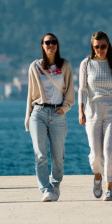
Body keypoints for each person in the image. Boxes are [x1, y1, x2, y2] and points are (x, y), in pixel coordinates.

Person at [78, 31, 112, 202]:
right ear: (92, 47)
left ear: (108, 46)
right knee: (96, 154)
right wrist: (80, 110)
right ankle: (98, 176)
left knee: (110, 150)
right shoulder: (86, 63)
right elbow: (82, 89)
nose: (100, 49)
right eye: (97, 47)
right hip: (92, 110)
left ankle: (109, 189)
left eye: (103, 46)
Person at [25, 33, 75, 202]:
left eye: (54, 42)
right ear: (42, 45)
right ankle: (45, 189)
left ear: (57, 45)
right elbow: (30, 93)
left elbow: (70, 91)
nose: (51, 45)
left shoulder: (65, 65)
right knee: (40, 155)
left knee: (58, 156)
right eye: (47, 42)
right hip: (38, 112)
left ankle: (55, 184)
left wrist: (64, 108)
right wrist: (28, 116)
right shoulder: (35, 66)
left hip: (58, 113)